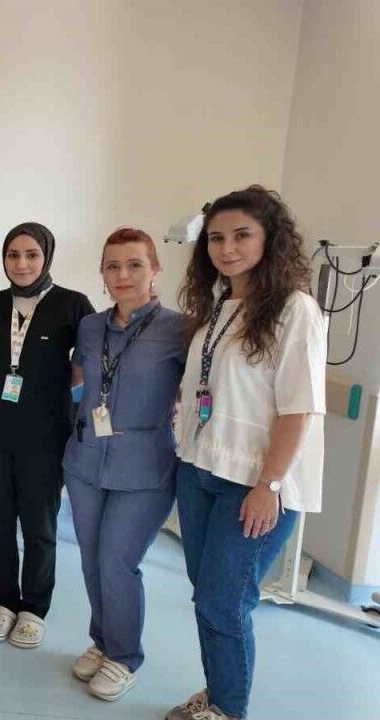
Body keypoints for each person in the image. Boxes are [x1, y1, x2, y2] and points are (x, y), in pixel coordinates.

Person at [165, 186, 325, 720]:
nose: (226, 248)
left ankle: (228, 710)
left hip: (255, 482)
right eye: (216, 238)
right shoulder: (217, 306)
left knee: (225, 601)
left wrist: (268, 485)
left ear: (269, 239)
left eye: (241, 235)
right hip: (201, 468)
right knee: (207, 596)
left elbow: (298, 409)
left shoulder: (294, 309)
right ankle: (217, 695)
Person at [62, 228, 186, 701]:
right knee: (92, 559)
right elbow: (81, 380)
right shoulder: (90, 328)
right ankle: (103, 641)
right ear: (102, 272)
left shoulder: (180, 329)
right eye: (113, 266)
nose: (123, 275)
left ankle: (125, 656)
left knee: (117, 561)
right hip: (86, 459)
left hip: (144, 467)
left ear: (155, 269)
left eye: (135, 264)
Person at [0, 222, 95, 649]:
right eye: (13, 255)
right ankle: (4, 602)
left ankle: (34, 610)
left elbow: (83, 368)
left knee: (39, 525)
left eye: (31, 254)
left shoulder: (73, 305)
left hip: (45, 435)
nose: (21, 264)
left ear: (47, 256)